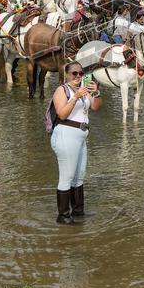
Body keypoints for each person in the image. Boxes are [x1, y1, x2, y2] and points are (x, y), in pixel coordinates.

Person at [50, 61, 101, 224]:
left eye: (81, 73)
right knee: (67, 176)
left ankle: (78, 211)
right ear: (66, 74)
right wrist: (75, 97)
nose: (78, 76)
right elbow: (62, 114)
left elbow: (96, 108)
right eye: (74, 73)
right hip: (66, 134)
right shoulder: (62, 90)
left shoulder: (85, 90)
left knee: (79, 176)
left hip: (81, 136)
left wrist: (97, 93)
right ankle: (63, 215)